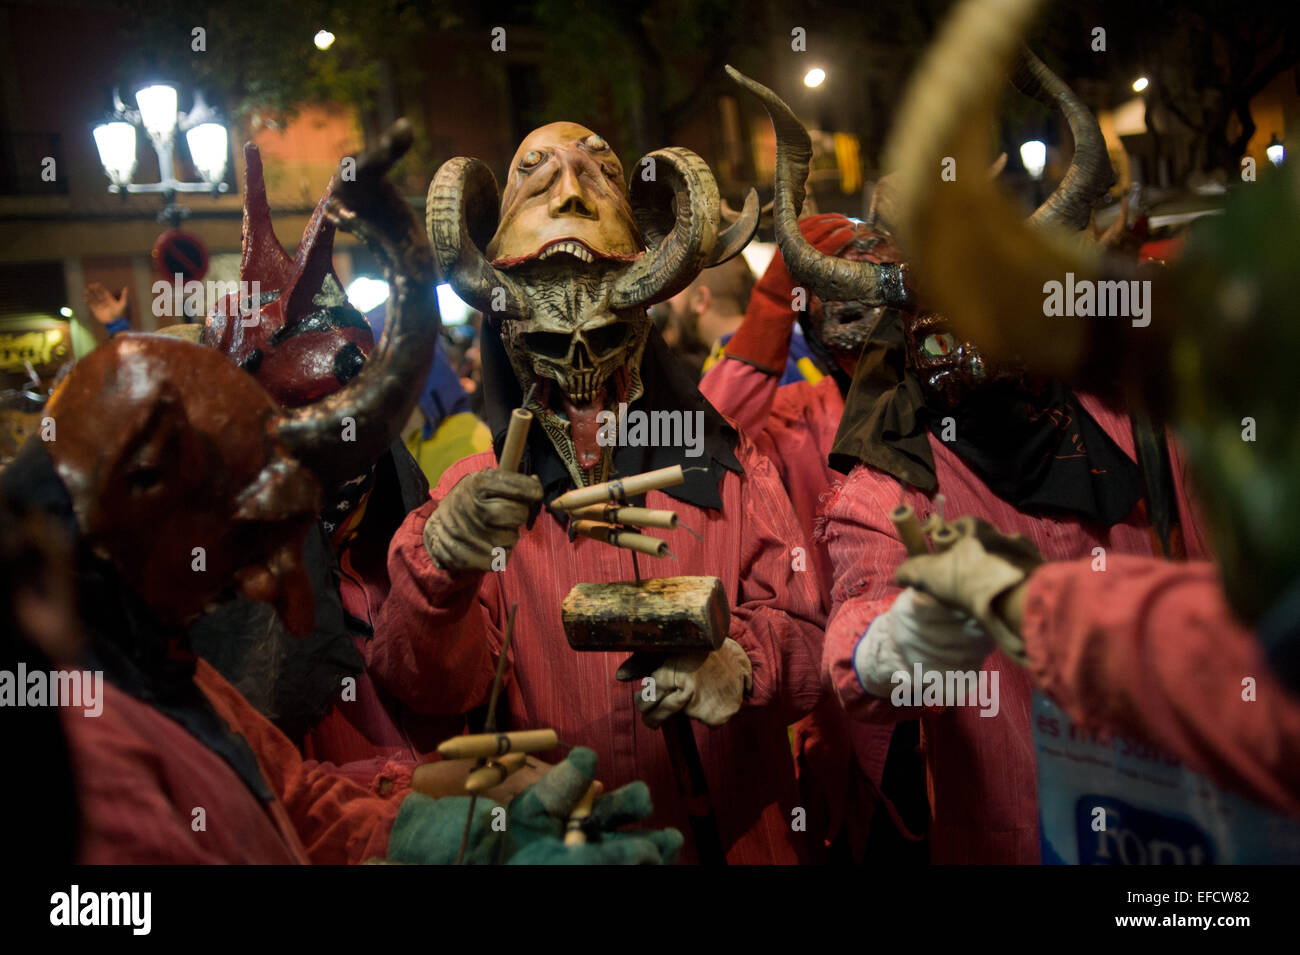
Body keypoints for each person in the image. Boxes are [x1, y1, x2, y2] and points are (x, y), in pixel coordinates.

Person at [370, 120, 823, 864]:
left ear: (642, 325)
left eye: (605, 330)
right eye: (552, 341)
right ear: (513, 336)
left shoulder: (730, 468)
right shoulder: (472, 495)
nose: (580, 367)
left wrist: (738, 660)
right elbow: (426, 685)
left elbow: (811, 633)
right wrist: (438, 570)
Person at [652, 254, 755, 379]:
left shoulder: (731, 373)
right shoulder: (761, 349)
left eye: (678, 288)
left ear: (700, 299)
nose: (670, 300)